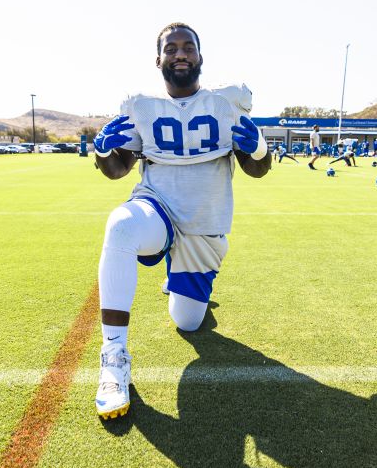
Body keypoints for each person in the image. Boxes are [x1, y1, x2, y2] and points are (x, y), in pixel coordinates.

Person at [91, 22, 272, 419]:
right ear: (158, 59)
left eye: (187, 47)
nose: (179, 54)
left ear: (200, 57)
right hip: (157, 207)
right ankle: (113, 357)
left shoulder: (226, 103)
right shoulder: (141, 106)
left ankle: (181, 277)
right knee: (120, 225)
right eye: (170, 48)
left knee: (188, 323)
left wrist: (260, 149)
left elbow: (256, 169)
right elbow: (118, 168)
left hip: (203, 226)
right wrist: (102, 152)